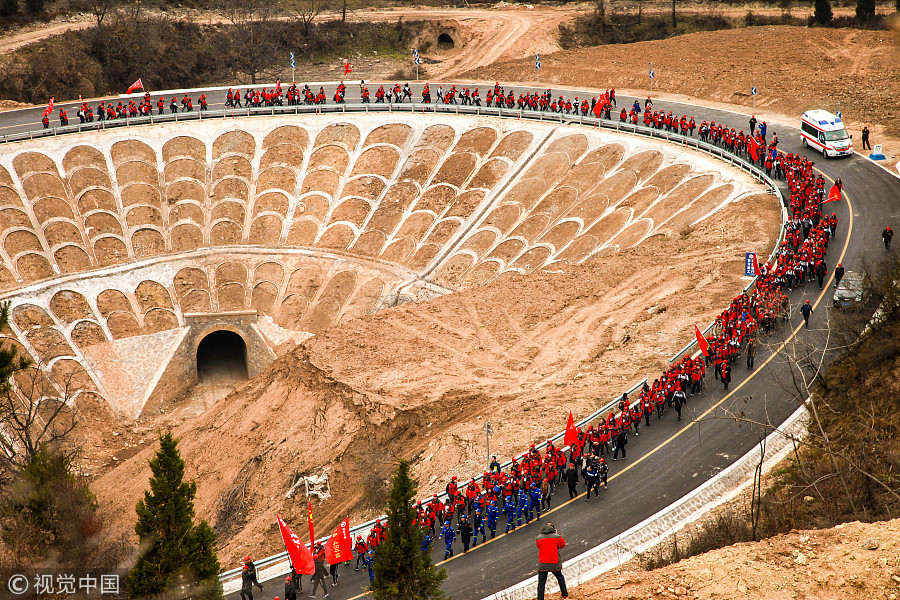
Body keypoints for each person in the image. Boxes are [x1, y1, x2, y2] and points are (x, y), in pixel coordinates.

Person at [535, 522, 569, 600]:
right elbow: (562, 545)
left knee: (541, 583)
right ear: (554, 529)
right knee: (560, 578)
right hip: (554, 562)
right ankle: (564, 595)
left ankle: (540, 598)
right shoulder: (557, 537)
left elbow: (539, 546)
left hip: (543, 564)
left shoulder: (539, 538)